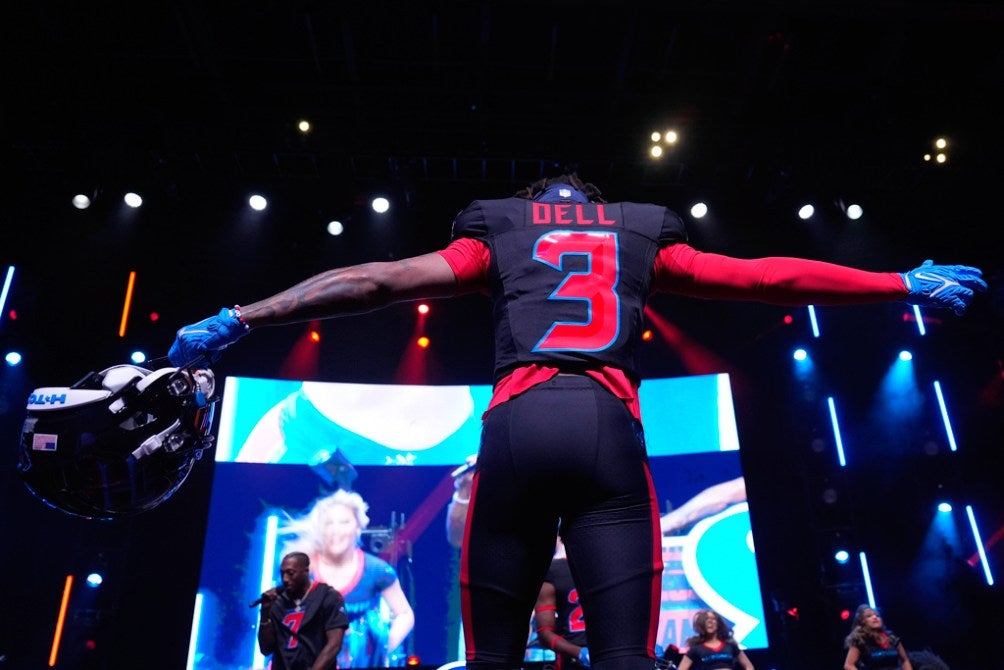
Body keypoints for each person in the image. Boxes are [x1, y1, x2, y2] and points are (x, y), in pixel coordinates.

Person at [169, 172, 986, 670]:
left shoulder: (500, 232)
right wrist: (896, 282)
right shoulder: (637, 232)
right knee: (625, 655)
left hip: (520, 422)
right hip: (608, 423)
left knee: (491, 655)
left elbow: (379, 279)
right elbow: (760, 277)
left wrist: (245, 315)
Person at [280, 489, 416, 668]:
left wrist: (381, 647)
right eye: (329, 523)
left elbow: (405, 614)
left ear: (359, 527)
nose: (336, 530)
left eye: (344, 522)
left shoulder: (377, 570)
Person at [257, 551, 349, 670]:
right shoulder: (277, 601)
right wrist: (265, 613)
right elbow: (265, 649)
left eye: (290, 573)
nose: (285, 579)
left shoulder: (327, 596)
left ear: (306, 571)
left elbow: (334, 644)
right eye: (282, 573)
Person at [534, 536, 590, 670]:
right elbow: (544, 633)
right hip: (573, 659)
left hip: (605, 654)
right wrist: (579, 653)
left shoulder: (604, 566)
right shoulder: (553, 571)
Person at [677, 609, 754, 670]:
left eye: (713, 619)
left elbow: (749, 666)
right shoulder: (696, 649)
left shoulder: (730, 645)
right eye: (706, 620)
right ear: (701, 624)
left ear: (718, 623)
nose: (710, 622)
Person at [843, 605, 913, 670]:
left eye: (877, 615)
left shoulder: (892, 638)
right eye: (869, 616)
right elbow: (848, 665)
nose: (875, 617)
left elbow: (905, 660)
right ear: (862, 622)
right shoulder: (860, 640)